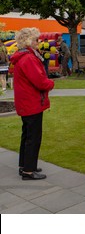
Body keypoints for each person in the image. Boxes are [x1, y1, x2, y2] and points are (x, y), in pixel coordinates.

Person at [10, 27, 55, 180]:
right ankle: (29, 171)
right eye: (36, 39)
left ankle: (25, 166)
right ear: (29, 41)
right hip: (31, 103)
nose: (38, 42)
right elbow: (40, 82)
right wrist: (50, 84)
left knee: (27, 135)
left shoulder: (23, 56)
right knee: (33, 137)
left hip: (26, 102)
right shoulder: (29, 58)